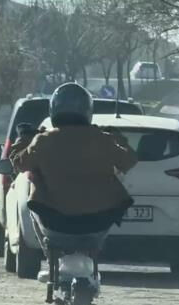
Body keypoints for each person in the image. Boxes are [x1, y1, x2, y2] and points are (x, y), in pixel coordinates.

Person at [9, 82, 138, 238]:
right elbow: (129, 160)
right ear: (87, 110)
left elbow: (20, 164)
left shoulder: (43, 140)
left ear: (54, 109)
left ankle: (46, 246)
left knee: (32, 181)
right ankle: (95, 248)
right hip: (99, 220)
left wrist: (24, 139)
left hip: (54, 220)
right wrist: (117, 138)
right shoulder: (101, 139)